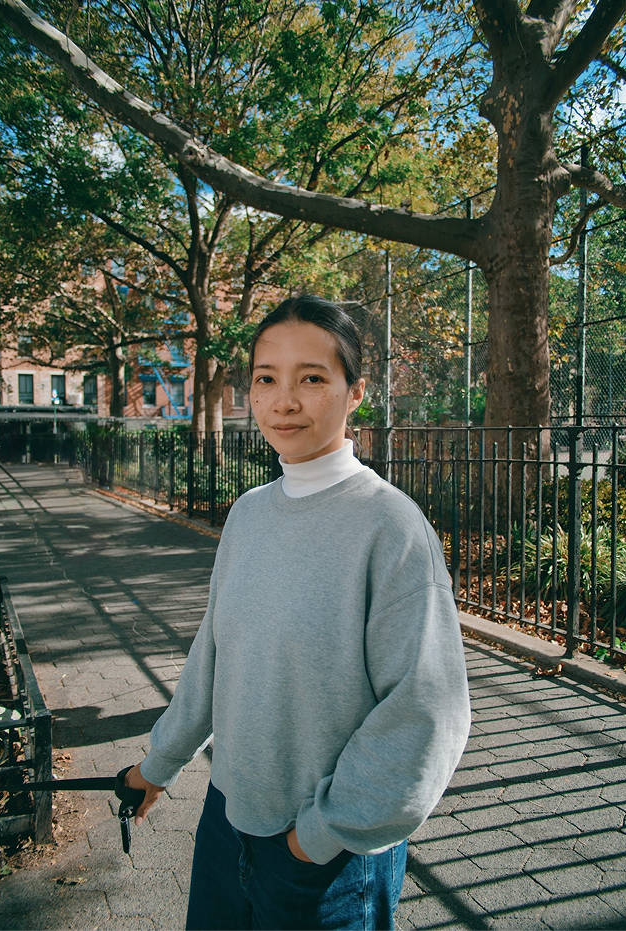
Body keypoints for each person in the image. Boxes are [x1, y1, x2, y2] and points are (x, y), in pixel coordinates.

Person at [126, 294, 471, 931]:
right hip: (226, 822)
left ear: (355, 391)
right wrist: (157, 766)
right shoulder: (249, 512)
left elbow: (426, 712)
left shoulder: (390, 526)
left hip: (326, 859)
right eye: (266, 379)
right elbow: (216, 654)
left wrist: (316, 838)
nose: (284, 401)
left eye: (312, 378)